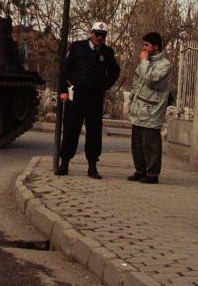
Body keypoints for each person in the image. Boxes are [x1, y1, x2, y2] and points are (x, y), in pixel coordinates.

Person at [57, 21, 120, 178]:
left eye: (103, 35)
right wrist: (63, 91)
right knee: (71, 129)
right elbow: (65, 69)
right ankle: (64, 163)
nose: (99, 38)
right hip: (76, 95)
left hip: (95, 97)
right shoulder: (77, 47)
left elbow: (114, 72)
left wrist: (104, 85)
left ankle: (92, 166)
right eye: (97, 34)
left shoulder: (107, 52)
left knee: (94, 132)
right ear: (91, 33)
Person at [127, 31, 173, 184]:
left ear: (156, 46)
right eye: (144, 44)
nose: (144, 48)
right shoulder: (144, 62)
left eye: (147, 45)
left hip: (152, 109)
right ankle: (140, 170)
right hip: (138, 108)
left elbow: (150, 80)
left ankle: (152, 173)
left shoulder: (164, 65)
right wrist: (132, 97)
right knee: (137, 143)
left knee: (150, 144)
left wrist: (144, 62)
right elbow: (137, 80)